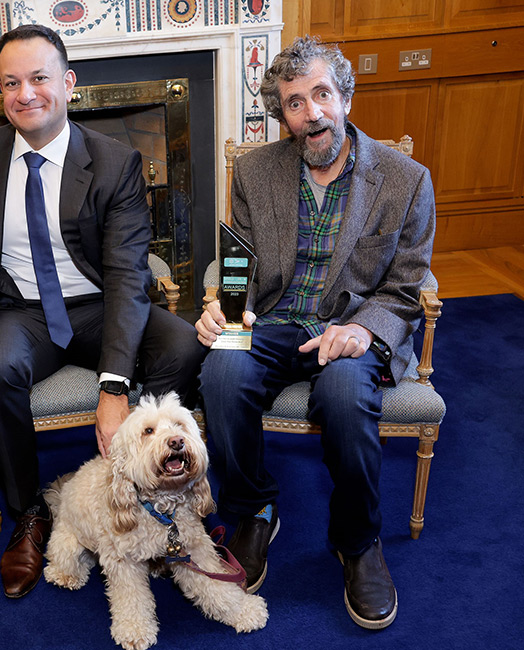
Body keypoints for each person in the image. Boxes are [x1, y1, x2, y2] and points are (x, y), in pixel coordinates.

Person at [0, 24, 207, 599]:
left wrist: (114, 388)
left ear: (68, 83)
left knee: (184, 344)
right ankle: (31, 512)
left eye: (39, 78)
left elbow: (126, 276)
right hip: (20, 310)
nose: (25, 94)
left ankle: (147, 481)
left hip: (97, 303)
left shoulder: (115, 162)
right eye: (11, 83)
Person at [195, 36, 435, 630]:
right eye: (295, 103)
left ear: (344, 96)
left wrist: (362, 331)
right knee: (220, 367)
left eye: (321, 95)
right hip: (276, 320)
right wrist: (225, 307)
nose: (311, 114)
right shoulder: (256, 171)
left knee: (344, 396)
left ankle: (357, 542)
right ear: (284, 115)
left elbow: (407, 287)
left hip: (350, 329)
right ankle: (253, 512)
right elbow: (237, 263)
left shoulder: (405, 180)